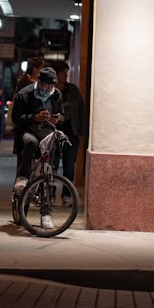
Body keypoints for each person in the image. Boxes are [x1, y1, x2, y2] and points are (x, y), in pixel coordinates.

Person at [11, 66, 64, 227]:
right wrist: (34, 118)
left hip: (47, 134)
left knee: (48, 174)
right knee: (30, 143)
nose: (48, 89)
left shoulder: (56, 95)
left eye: (51, 86)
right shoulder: (24, 94)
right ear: (39, 81)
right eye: (46, 85)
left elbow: (61, 115)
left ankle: (46, 213)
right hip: (28, 132)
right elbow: (16, 118)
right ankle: (22, 186)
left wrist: (57, 120)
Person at [51, 61, 87, 207]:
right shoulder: (50, 90)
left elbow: (81, 111)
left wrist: (82, 132)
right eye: (63, 72)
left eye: (66, 72)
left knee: (69, 166)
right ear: (56, 74)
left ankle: (66, 195)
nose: (66, 75)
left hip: (71, 133)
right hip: (54, 132)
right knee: (52, 165)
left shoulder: (73, 90)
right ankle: (50, 195)